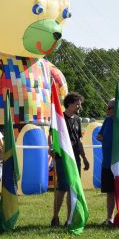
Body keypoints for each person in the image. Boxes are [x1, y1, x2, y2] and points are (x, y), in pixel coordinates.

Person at [51, 92, 90, 227]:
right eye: (77, 103)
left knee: (73, 188)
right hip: (62, 158)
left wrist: (84, 157)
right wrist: (52, 149)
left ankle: (69, 219)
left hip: (75, 159)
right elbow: (53, 136)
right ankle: (55, 217)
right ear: (70, 103)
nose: (79, 106)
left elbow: (78, 140)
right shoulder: (59, 119)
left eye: (80, 103)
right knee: (62, 189)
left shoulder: (78, 120)